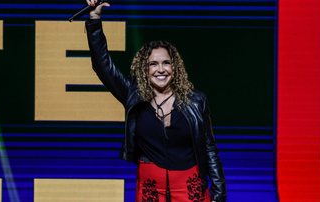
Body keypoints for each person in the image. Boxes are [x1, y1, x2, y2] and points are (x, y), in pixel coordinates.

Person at [85, 0, 226, 201]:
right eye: (153, 64)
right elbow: (103, 66)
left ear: (175, 67)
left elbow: (209, 148)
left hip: (189, 188)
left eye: (166, 63)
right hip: (150, 189)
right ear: (145, 70)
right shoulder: (134, 96)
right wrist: (94, 20)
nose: (160, 69)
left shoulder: (196, 101)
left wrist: (219, 193)